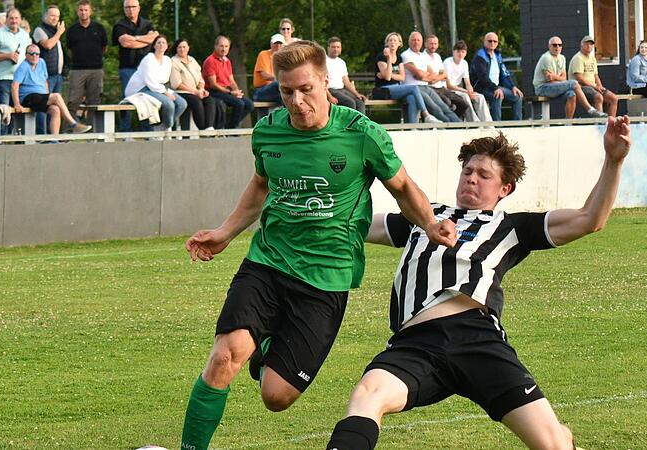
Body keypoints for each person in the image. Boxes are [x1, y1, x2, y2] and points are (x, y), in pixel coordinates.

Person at [179, 40, 457, 450]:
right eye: (286, 91)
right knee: (224, 356)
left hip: (326, 278)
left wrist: (430, 224)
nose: (295, 100)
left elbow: (402, 187)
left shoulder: (361, 134)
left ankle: (268, 344)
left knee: (277, 396)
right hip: (267, 263)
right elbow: (260, 185)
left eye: (305, 89)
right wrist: (225, 232)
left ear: (326, 81)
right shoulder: (268, 132)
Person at [326, 116, 632, 450]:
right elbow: (350, 225)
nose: (472, 179)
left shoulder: (513, 226)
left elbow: (590, 219)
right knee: (367, 395)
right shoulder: (425, 216)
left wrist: (614, 161)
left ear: (505, 189)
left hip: (477, 338)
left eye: (484, 175)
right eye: (468, 172)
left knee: (553, 445)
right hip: (415, 344)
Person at [11, 43, 91, 135]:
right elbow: (14, 85)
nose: (35, 56)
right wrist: (17, 104)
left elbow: (45, 81)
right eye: (32, 54)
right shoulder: (23, 67)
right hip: (28, 97)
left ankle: (54, 139)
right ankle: (73, 124)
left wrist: (47, 95)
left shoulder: (41, 62)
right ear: (26, 55)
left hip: (40, 97)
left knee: (55, 109)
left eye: (37, 54)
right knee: (56, 96)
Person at [372, 31, 442, 124]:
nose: (392, 42)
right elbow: (388, 78)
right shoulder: (382, 57)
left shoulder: (399, 57)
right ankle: (426, 115)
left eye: (395, 40)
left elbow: (402, 77)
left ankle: (412, 128)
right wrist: (388, 59)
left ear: (399, 44)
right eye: (390, 40)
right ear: (387, 43)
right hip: (383, 89)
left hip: (397, 87)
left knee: (411, 98)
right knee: (414, 87)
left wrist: (389, 74)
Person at [532, 36, 604, 119]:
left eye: (560, 45)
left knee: (571, 94)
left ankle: (568, 123)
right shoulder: (546, 58)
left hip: (555, 86)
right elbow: (550, 80)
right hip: (542, 88)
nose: (557, 47)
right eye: (554, 45)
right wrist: (559, 79)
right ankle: (590, 109)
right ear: (549, 46)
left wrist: (555, 77)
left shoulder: (562, 58)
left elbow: (564, 78)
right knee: (574, 83)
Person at [124, 34, 186, 131]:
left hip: (157, 87)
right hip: (142, 88)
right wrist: (165, 93)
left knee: (182, 103)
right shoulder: (148, 59)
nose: (161, 44)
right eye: (159, 42)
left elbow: (164, 79)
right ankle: (167, 128)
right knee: (169, 104)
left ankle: (163, 126)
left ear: (166, 46)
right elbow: (150, 81)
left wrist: (165, 91)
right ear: (154, 46)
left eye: (163, 43)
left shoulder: (167, 60)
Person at [112, 0, 158, 131]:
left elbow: (154, 39)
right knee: (127, 99)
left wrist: (135, 38)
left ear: (139, 8)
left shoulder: (148, 23)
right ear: (124, 9)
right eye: (127, 7)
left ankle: (147, 131)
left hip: (146, 70)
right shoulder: (119, 25)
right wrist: (146, 39)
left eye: (133, 7)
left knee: (147, 99)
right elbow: (126, 43)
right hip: (128, 68)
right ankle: (125, 131)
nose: (130, 10)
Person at [401, 31, 460, 122]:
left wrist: (424, 76)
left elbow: (434, 73)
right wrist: (424, 75)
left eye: (418, 40)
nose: (416, 42)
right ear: (409, 42)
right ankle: (448, 127)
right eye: (413, 40)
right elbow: (419, 74)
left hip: (427, 86)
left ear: (421, 42)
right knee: (435, 108)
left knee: (444, 107)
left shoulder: (422, 56)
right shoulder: (406, 55)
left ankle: (459, 125)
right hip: (415, 88)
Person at [66, 0, 108, 120]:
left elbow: (104, 47)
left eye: (86, 10)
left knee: (94, 102)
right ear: (77, 12)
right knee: (73, 101)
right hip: (77, 70)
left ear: (90, 11)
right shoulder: (72, 30)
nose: (83, 13)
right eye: (81, 10)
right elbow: (70, 50)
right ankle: (70, 131)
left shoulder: (99, 28)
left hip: (96, 70)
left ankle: (94, 134)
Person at [202, 35, 254, 129]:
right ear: (215, 46)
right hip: (214, 92)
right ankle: (232, 129)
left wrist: (237, 92)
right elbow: (213, 84)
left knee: (249, 105)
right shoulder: (210, 61)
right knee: (239, 104)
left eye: (226, 46)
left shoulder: (227, 61)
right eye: (221, 46)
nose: (224, 49)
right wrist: (230, 92)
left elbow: (231, 81)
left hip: (226, 91)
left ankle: (229, 126)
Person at [470, 32, 523, 121]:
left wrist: (512, 86)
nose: (492, 43)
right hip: (482, 88)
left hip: (495, 87)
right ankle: (497, 126)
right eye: (490, 41)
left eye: (495, 41)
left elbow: (504, 74)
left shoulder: (498, 55)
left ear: (497, 43)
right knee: (497, 96)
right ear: (484, 42)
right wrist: (495, 88)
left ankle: (517, 124)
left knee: (517, 96)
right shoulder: (480, 56)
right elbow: (482, 77)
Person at [171, 38, 216, 130]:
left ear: (188, 48)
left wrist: (201, 90)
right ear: (176, 48)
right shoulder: (173, 61)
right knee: (196, 102)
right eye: (179, 47)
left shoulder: (192, 60)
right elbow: (177, 84)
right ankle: (203, 128)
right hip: (181, 92)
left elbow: (200, 78)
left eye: (184, 47)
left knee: (209, 100)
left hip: (196, 91)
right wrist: (195, 92)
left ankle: (209, 127)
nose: (182, 49)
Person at [0, 8, 31, 106]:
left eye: (16, 18)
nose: (14, 21)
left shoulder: (25, 35)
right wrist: (7, 56)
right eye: (11, 18)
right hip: (3, 79)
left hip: (21, 79)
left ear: (20, 20)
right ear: (6, 19)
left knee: (19, 112)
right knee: (5, 113)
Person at [443, 40, 491, 122]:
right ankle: (474, 122)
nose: (460, 54)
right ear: (453, 52)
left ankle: (488, 123)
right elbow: (449, 85)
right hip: (448, 90)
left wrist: (471, 91)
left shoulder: (464, 63)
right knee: (465, 96)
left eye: (463, 52)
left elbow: (467, 82)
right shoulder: (447, 62)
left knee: (480, 97)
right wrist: (466, 91)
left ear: (465, 53)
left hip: (459, 90)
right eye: (458, 51)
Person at [569, 35, 617, 117]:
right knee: (598, 97)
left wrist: (600, 87)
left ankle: (611, 123)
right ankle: (600, 123)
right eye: (587, 44)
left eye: (591, 44)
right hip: (581, 87)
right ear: (581, 44)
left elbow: (596, 75)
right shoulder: (578, 58)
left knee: (613, 98)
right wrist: (595, 86)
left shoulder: (592, 58)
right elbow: (579, 78)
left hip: (593, 86)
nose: (589, 46)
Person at [423, 34, 469, 119]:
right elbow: (430, 80)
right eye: (431, 44)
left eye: (435, 44)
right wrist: (438, 77)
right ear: (425, 44)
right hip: (430, 88)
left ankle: (452, 122)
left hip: (442, 88)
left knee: (463, 104)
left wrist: (436, 77)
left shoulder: (437, 56)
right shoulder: (422, 57)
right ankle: (447, 123)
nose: (433, 46)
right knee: (446, 102)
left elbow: (443, 74)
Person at [326, 36, 366, 113]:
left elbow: (346, 82)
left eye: (338, 47)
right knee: (350, 102)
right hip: (330, 90)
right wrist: (329, 97)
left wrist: (357, 94)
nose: (336, 49)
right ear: (328, 48)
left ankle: (361, 124)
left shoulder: (341, 62)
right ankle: (348, 124)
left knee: (360, 102)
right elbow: (321, 83)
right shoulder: (323, 61)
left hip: (341, 90)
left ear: (341, 49)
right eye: (333, 47)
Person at [33, 5, 65, 95]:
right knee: (46, 103)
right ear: (45, 16)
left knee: (56, 105)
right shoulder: (39, 30)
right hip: (45, 76)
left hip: (58, 75)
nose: (55, 19)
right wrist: (59, 33)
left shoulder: (55, 32)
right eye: (52, 16)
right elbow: (48, 45)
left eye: (57, 16)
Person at [252, 33, 284, 106]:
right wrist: (280, 79)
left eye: (280, 44)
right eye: (276, 43)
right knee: (277, 84)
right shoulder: (263, 54)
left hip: (275, 92)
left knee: (286, 97)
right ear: (271, 44)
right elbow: (264, 76)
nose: (278, 46)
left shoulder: (283, 59)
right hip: (261, 91)